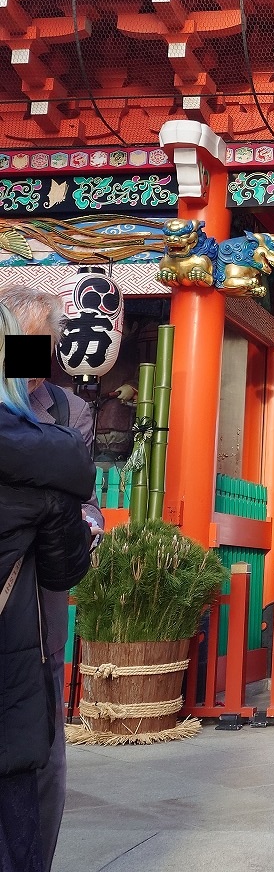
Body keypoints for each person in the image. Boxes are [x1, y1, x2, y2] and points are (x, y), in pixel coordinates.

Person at [0, 286, 103, 872]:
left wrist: (84, 524)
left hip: (36, 599)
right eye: (25, 343)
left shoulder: (69, 413)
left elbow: (82, 505)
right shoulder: (53, 444)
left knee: (39, 742)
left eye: (45, 344)